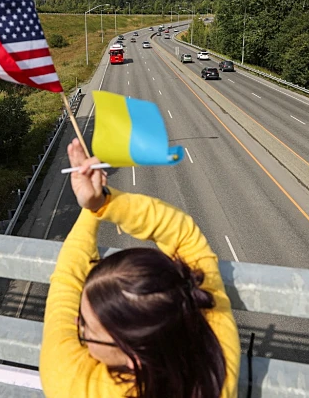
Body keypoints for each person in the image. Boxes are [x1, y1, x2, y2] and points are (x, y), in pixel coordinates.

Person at [39, 139, 240, 398]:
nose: (76, 323)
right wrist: (101, 202)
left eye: (86, 328)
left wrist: (95, 205)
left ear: (134, 359)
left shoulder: (72, 384)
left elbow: (66, 283)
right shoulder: (215, 365)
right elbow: (185, 237)